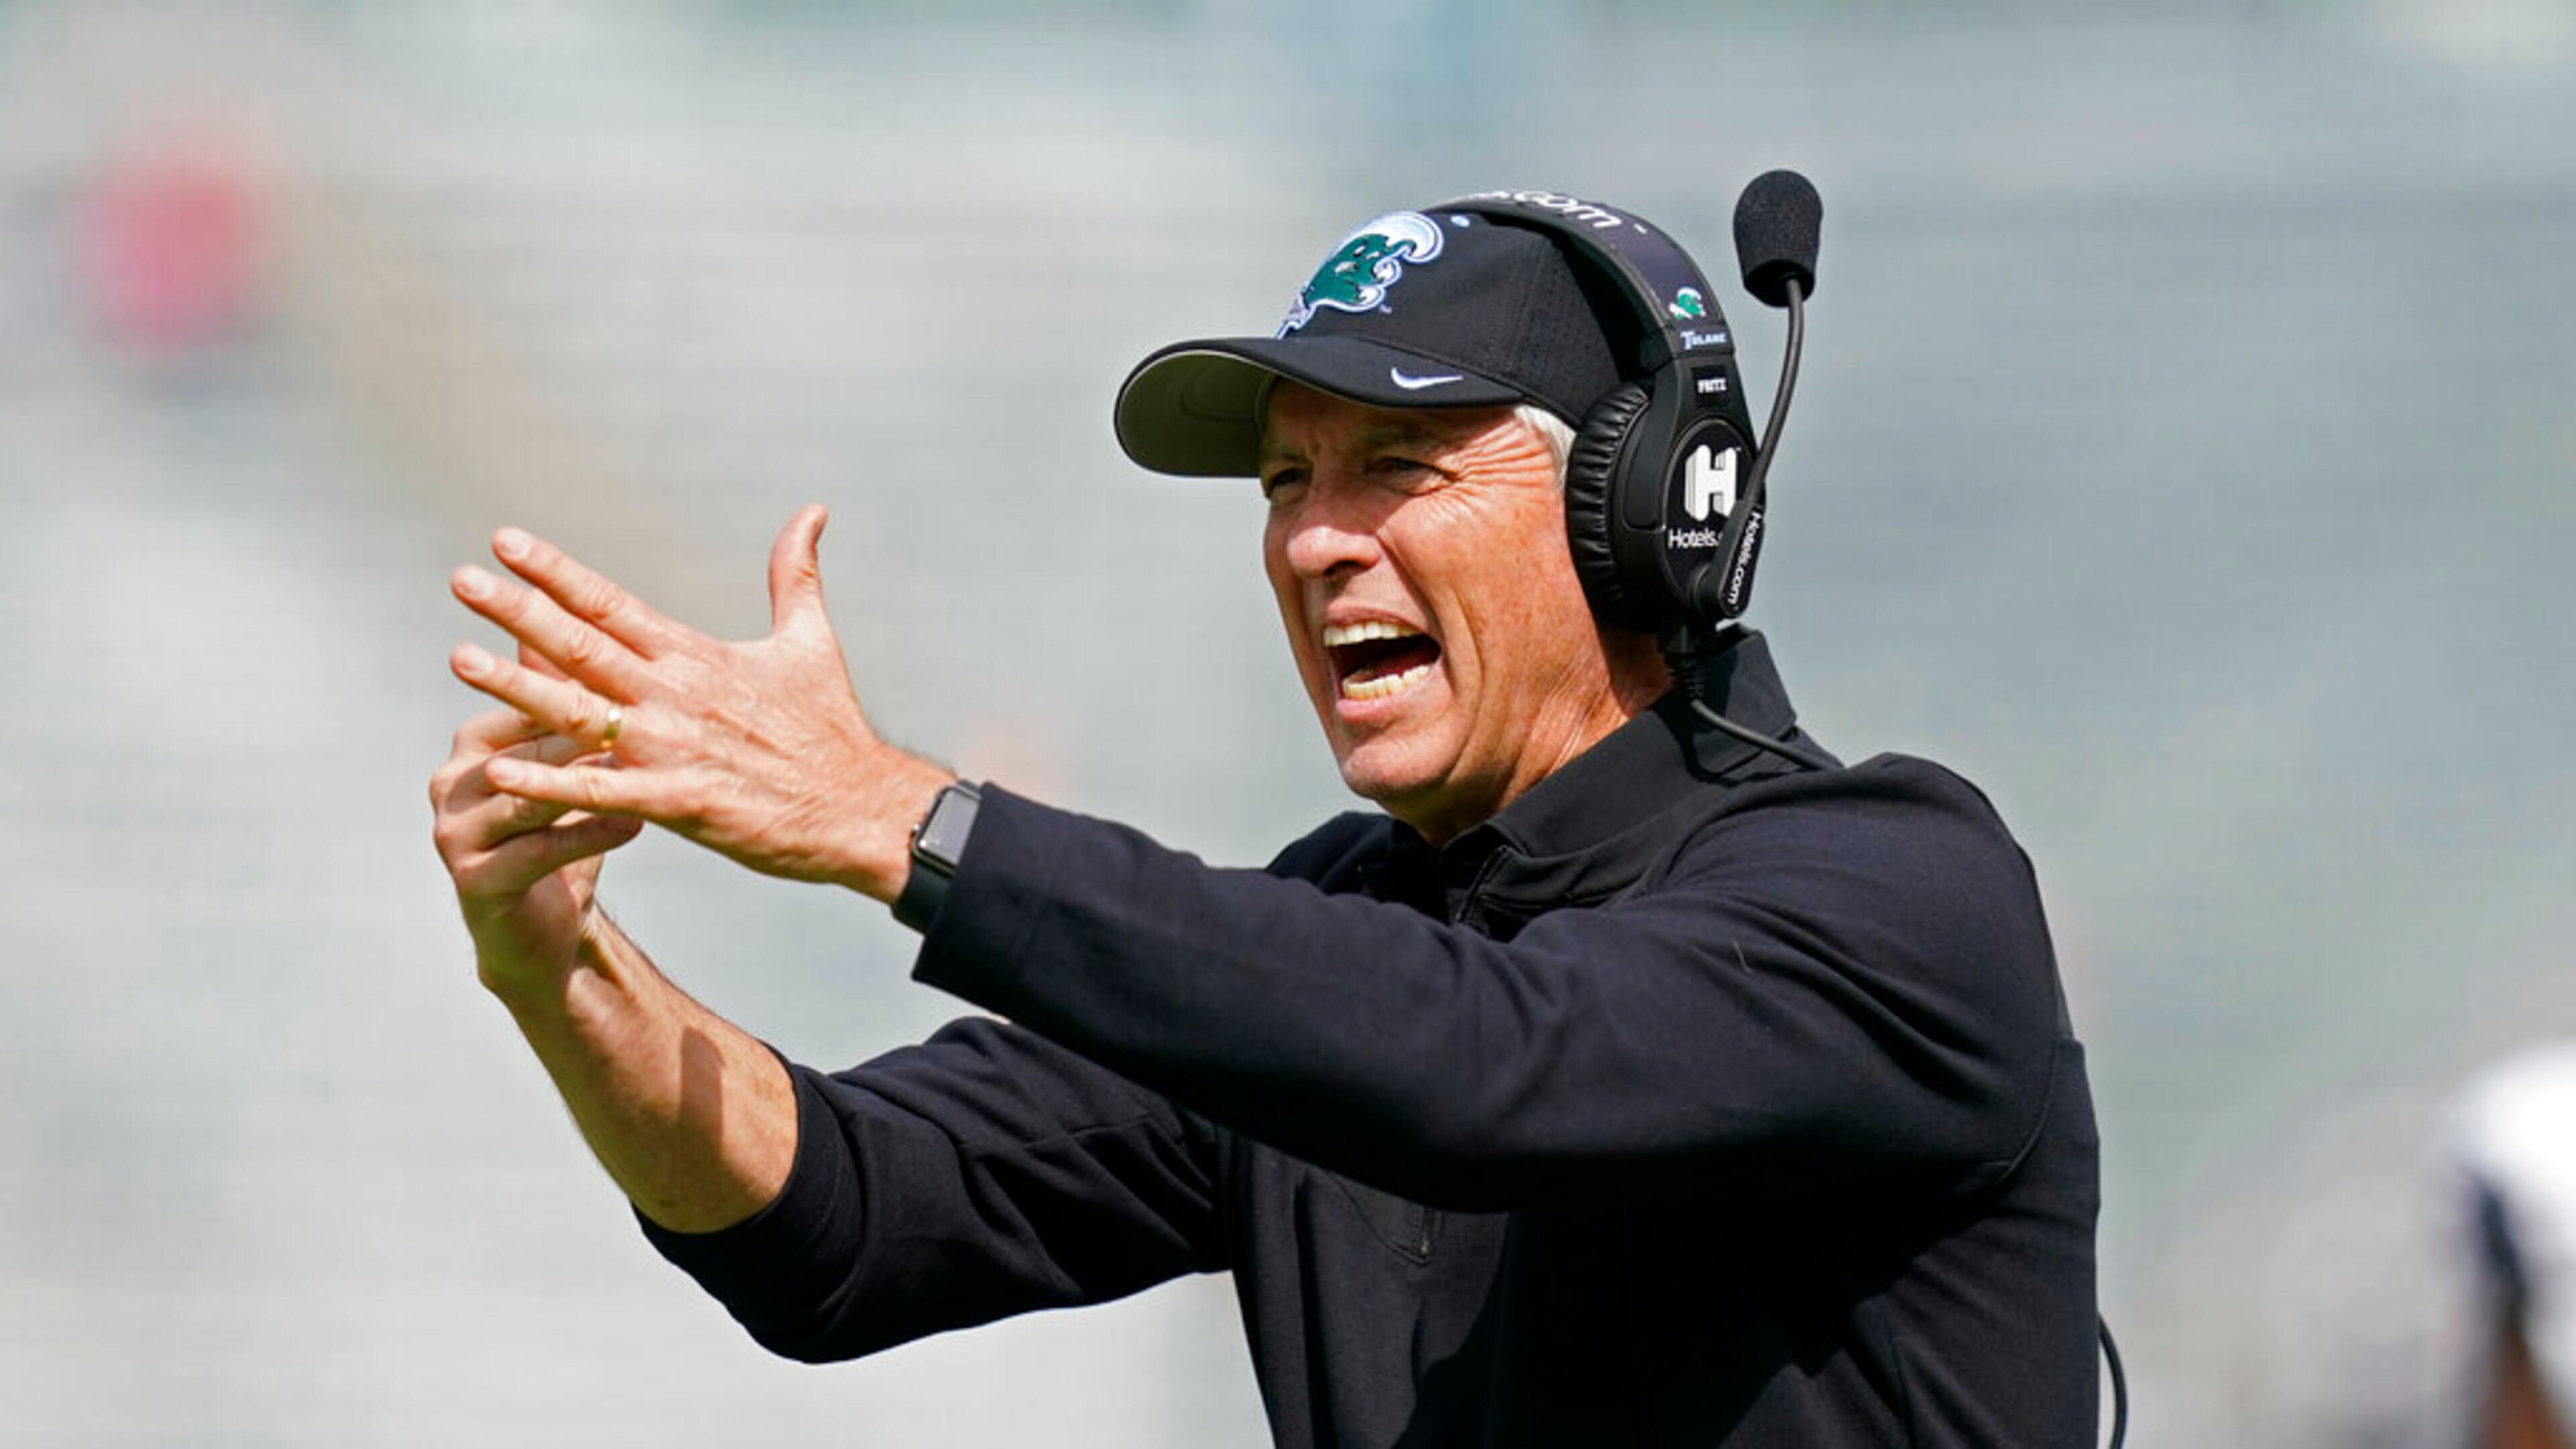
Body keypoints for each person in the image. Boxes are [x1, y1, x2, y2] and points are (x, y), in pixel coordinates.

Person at [429, 191, 2100, 1446]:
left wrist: (904, 820)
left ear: (1648, 516)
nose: (1316, 540)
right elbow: (849, 1225)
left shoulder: (1900, 892)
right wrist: (564, 974)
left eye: (1399, 463)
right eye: (1289, 482)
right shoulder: (1342, 944)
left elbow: (1493, 1066)